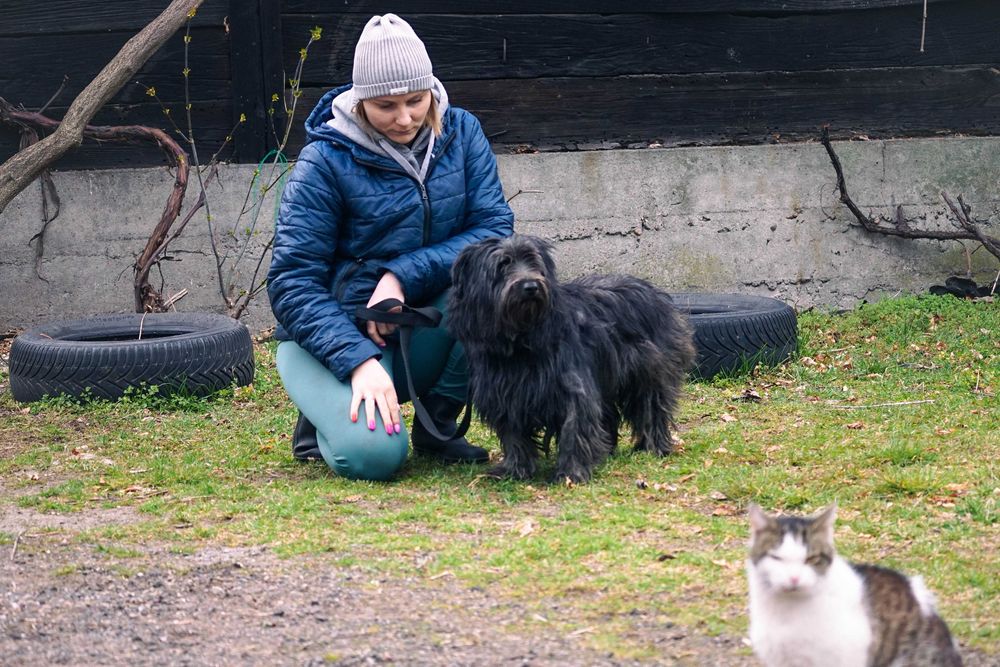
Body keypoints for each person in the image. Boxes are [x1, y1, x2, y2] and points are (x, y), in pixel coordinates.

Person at [267, 13, 514, 481]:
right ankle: (325, 416)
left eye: (416, 101)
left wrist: (400, 275)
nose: (405, 118)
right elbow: (292, 282)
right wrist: (356, 360)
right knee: (374, 457)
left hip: (421, 319)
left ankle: (436, 424)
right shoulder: (324, 160)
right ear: (360, 102)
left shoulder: (462, 134)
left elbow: (494, 229)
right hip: (337, 334)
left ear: (431, 90)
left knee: (499, 280)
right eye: (386, 106)